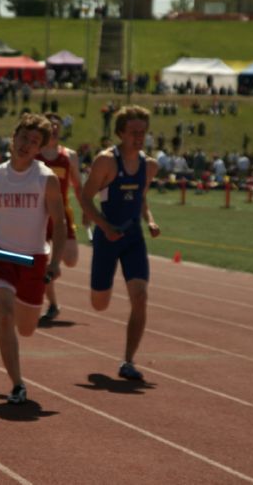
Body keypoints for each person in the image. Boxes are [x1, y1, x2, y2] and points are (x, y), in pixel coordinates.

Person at [0, 113, 66, 405]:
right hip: (2, 258)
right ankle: (18, 384)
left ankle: (20, 315)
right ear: (13, 139)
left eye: (34, 142)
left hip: (34, 260)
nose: (27, 145)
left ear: (40, 149)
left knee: (26, 328)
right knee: (4, 315)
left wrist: (55, 262)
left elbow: (60, 223)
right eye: (24, 138)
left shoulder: (45, 179)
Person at [80, 105, 160, 382]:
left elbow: (141, 199)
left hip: (133, 239)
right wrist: (104, 226)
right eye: (133, 132)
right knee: (99, 303)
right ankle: (101, 288)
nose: (139, 137)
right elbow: (85, 197)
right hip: (107, 237)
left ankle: (128, 361)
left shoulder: (150, 165)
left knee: (140, 297)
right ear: (120, 133)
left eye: (143, 132)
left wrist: (149, 220)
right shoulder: (106, 162)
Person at [35, 112, 83, 323]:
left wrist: (87, 212)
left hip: (62, 214)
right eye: (50, 126)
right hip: (39, 216)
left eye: (57, 126)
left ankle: (53, 266)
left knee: (71, 260)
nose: (54, 129)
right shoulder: (35, 153)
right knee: (43, 264)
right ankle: (53, 305)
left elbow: (78, 186)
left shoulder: (69, 156)